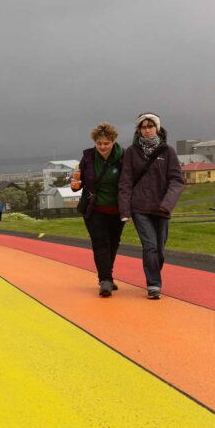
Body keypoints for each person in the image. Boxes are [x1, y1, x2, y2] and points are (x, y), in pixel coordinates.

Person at [118, 112, 185, 300]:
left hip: (162, 209)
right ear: (138, 130)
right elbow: (125, 182)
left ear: (157, 128)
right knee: (150, 247)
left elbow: (177, 181)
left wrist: (167, 204)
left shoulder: (168, 151)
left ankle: (154, 273)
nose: (147, 130)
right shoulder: (131, 152)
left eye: (150, 126)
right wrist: (125, 210)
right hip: (140, 208)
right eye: (143, 127)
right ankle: (153, 284)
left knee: (160, 250)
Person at [72, 123, 124, 297]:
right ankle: (105, 280)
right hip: (94, 208)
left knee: (113, 243)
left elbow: (128, 182)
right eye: (99, 143)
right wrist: (75, 186)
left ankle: (108, 276)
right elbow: (79, 180)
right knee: (100, 243)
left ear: (113, 141)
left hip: (117, 208)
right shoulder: (88, 157)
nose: (102, 147)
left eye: (106, 143)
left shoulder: (123, 157)